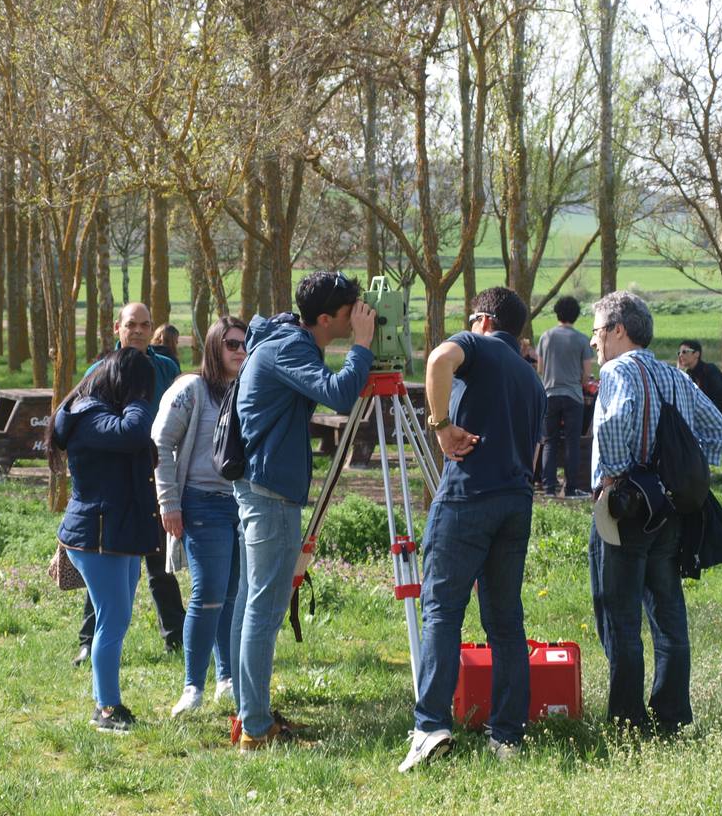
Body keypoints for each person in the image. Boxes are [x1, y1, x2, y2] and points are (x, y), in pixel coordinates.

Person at [399, 287, 547, 772]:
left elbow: (440, 358)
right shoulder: (530, 377)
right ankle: (506, 735)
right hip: (516, 501)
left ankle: (430, 726)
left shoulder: (477, 346)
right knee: (506, 623)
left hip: (467, 497)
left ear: (482, 320)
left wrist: (440, 424)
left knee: (441, 612)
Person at [230, 272, 376, 752]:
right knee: (265, 609)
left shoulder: (285, 340)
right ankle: (255, 726)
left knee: (254, 605)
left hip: (265, 488)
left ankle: (250, 714)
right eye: (349, 310)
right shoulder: (288, 347)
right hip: (270, 493)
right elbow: (337, 394)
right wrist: (363, 345)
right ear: (325, 318)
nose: (356, 315)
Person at [588, 293, 722, 735]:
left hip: (626, 510)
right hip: (669, 511)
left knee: (621, 617)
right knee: (668, 616)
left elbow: (613, 425)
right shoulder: (673, 375)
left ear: (618, 329)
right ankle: (670, 717)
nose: (594, 342)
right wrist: (684, 470)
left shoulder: (617, 370)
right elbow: (719, 429)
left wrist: (613, 480)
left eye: (597, 331)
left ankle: (628, 722)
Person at [49, 348, 163, 733]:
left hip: (117, 533)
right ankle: (106, 709)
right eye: (143, 389)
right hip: (97, 535)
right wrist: (139, 400)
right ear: (126, 384)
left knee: (116, 619)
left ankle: (106, 701)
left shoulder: (100, 414)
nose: (147, 398)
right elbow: (133, 433)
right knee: (112, 622)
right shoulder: (89, 416)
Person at [72, 303, 185, 666]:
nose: (137, 331)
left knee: (159, 562)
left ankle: (177, 638)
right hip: (117, 480)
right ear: (116, 327)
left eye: (144, 325)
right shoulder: (99, 370)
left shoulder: (166, 367)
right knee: (107, 561)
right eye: (130, 324)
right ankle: (89, 640)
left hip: (157, 473)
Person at [153, 316, 247, 717]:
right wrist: (169, 503)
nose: (240, 351)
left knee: (232, 596)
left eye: (245, 343)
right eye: (231, 344)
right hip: (202, 503)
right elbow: (160, 441)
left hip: (243, 506)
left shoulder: (249, 389)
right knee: (207, 596)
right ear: (214, 346)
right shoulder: (191, 389)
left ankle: (227, 679)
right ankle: (193, 686)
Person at [537, 295, 595, 499]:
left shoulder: (546, 337)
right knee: (572, 442)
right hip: (573, 396)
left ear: (557, 313)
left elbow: (541, 368)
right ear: (576, 315)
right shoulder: (581, 339)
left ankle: (549, 488)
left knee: (550, 441)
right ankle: (570, 489)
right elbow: (587, 374)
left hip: (549, 394)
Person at [676, 339, 722, 433]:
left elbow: (721, 399)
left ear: (697, 354)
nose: (681, 355)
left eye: (685, 352)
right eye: (679, 353)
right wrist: (678, 370)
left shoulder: (710, 370)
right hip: (705, 421)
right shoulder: (689, 374)